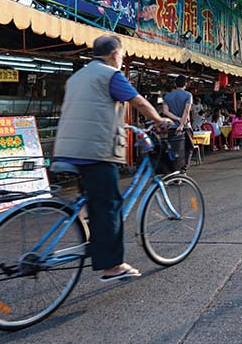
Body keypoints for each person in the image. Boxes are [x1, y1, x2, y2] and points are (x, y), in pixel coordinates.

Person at [53, 34, 169, 282]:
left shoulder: (77, 76)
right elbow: (137, 101)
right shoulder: (110, 75)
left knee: (94, 202)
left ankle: (91, 234)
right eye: (123, 54)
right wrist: (159, 120)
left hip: (67, 148)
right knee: (109, 206)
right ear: (116, 54)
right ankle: (112, 266)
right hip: (95, 152)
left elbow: (91, 108)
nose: (122, 58)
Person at [161, 75, 193, 173]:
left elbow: (165, 112)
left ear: (175, 84)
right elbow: (186, 111)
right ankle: (183, 171)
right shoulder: (188, 95)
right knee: (188, 148)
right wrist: (182, 124)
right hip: (185, 127)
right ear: (186, 84)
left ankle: (174, 172)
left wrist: (177, 119)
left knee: (174, 151)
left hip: (172, 127)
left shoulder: (167, 96)